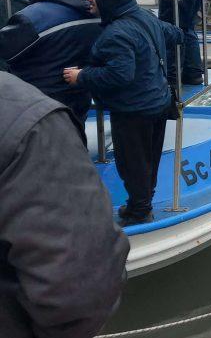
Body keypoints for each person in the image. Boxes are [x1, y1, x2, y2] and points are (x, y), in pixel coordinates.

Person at [0, 72, 129, 338]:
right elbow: (79, 290)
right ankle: (140, 206)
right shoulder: (24, 116)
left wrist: (84, 76)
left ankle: (139, 206)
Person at [62, 0, 182, 226]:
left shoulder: (116, 33)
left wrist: (81, 76)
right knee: (149, 159)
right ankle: (142, 202)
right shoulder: (145, 17)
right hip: (158, 102)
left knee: (132, 164)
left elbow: (119, 75)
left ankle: (139, 213)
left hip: (133, 110)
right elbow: (175, 34)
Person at [0, 0, 101, 122]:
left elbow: (5, 50)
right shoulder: (93, 10)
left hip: (40, 100)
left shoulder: (32, 17)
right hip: (79, 96)